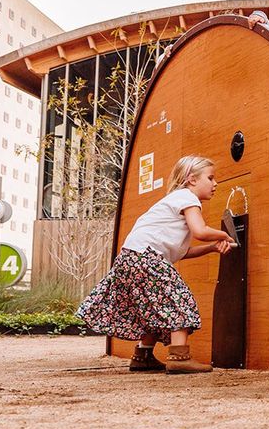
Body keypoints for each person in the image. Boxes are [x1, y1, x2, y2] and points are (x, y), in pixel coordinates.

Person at [77, 156, 234, 374]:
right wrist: (225, 234)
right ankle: (179, 357)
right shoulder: (187, 197)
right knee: (177, 298)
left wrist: (213, 247)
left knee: (150, 307)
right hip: (146, 257)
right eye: (210, 178)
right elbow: (200, 231)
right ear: (191, 179)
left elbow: (182, 253)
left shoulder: (173, 202)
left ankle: (143, 355)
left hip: (131, 257)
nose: (215, 183)